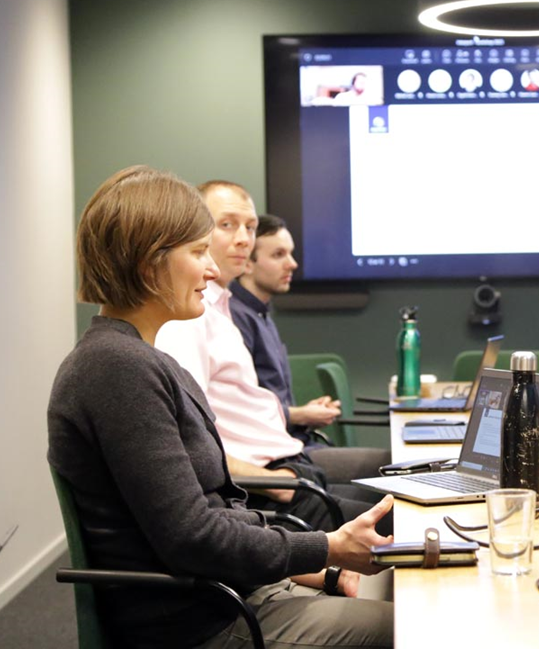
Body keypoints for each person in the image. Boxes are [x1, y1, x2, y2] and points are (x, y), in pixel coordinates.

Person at [47, 166, 393, 648]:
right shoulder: (118, 371)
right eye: (196, 252)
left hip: (233, 594)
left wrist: (318, 566)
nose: (211, 271)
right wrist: (327, 547)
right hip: (209, 624)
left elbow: (212, 511)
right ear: (150, 266)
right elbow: (193, 536)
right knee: (427, 627)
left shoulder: (135, 359)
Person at [155, 181, 389, 532]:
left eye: (249, 227)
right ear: (196, 233)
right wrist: (270, 480)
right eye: (227, 225)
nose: (243, 239)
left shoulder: (221, 308)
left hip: (285, 468)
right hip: (264, 486)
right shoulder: (191, 318)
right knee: (407, 522)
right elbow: (191, 435)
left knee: (409, 509)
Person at [229, 212, 389, 471]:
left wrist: (301, 413)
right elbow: (240, 412)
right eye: (278, 255)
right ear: (247, 263)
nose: (292, 264)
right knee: (389, 465)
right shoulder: (235, 317)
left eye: (290, 254)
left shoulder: (261, 314)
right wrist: (300, 414)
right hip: (277, 458)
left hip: (294, 443)